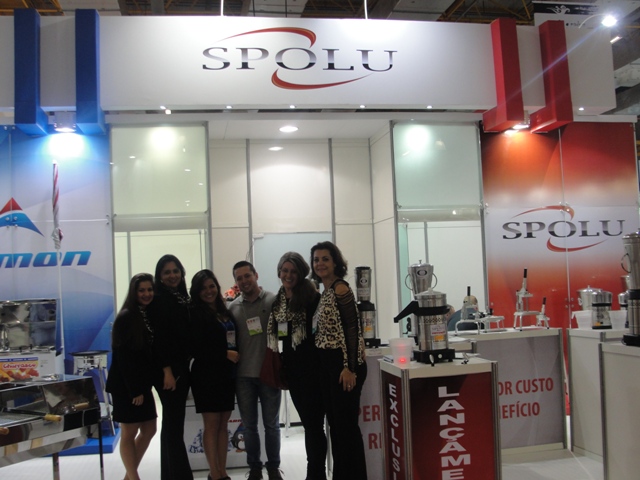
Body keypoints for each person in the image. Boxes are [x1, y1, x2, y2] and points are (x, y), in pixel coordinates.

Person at [310, 241, 368, 480]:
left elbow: (353, 330)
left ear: (335, 262)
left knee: (346, 430)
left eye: (325, 259)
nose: (320, 264)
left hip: (343, 365)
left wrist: (349, 368)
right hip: (328, 363)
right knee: (337, 428)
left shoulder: (340, 288)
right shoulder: (326, 291)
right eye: (316, 260)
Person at [266, 252, 326, 480]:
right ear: (279, 272)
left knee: (313, 426)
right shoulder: (279, 302)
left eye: (293, 271)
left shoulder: (312, 298)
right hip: (293, 372)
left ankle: (315, 474)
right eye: (285, 270)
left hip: (313, 371)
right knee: (310, 425)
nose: (288, 275)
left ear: (301, 273)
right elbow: (282, 336)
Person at [228, 261, 281, 480]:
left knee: (272, 425)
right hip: (243, 377)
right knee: (249, 427)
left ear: (256, 275)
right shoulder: (233, 308)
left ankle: (273, 467)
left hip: (269, 374)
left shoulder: (273, 301)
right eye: (239, 278)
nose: (244, 281)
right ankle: (255, 468)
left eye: (247, 276)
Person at [106, 273, 157, 480]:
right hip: (127, 386)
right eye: (141, 290)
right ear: (134, 292)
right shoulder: (127, 316)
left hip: (142, 384)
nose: (146, 294)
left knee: (150, 429)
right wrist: (135, 390)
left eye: (150, 289)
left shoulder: (145, 314)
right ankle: (134, 477)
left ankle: (129, 477)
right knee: (129, 432)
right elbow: (124, 357)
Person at [189, 269, 239, 480]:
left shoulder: (224, 310)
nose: (209, 291)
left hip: (226, 375)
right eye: (203, 288)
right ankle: (214, 472)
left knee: (223, 424)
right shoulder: (194, 314)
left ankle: (222, 471)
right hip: (206, 376)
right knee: (211, 425)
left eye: (212, 286)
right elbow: (195, 348)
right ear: (197, 291)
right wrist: (224, 353)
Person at [149, 254, 194, 480]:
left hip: (180, 367)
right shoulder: (159, 300)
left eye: (175, 271)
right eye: (167, 272)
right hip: (169, 371)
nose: (172, 275)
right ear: (159, 276)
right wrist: (167, 371)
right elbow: (160, 339)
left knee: (172, 425)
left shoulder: (181, 298)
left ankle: (170, 475)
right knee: (174, 426)